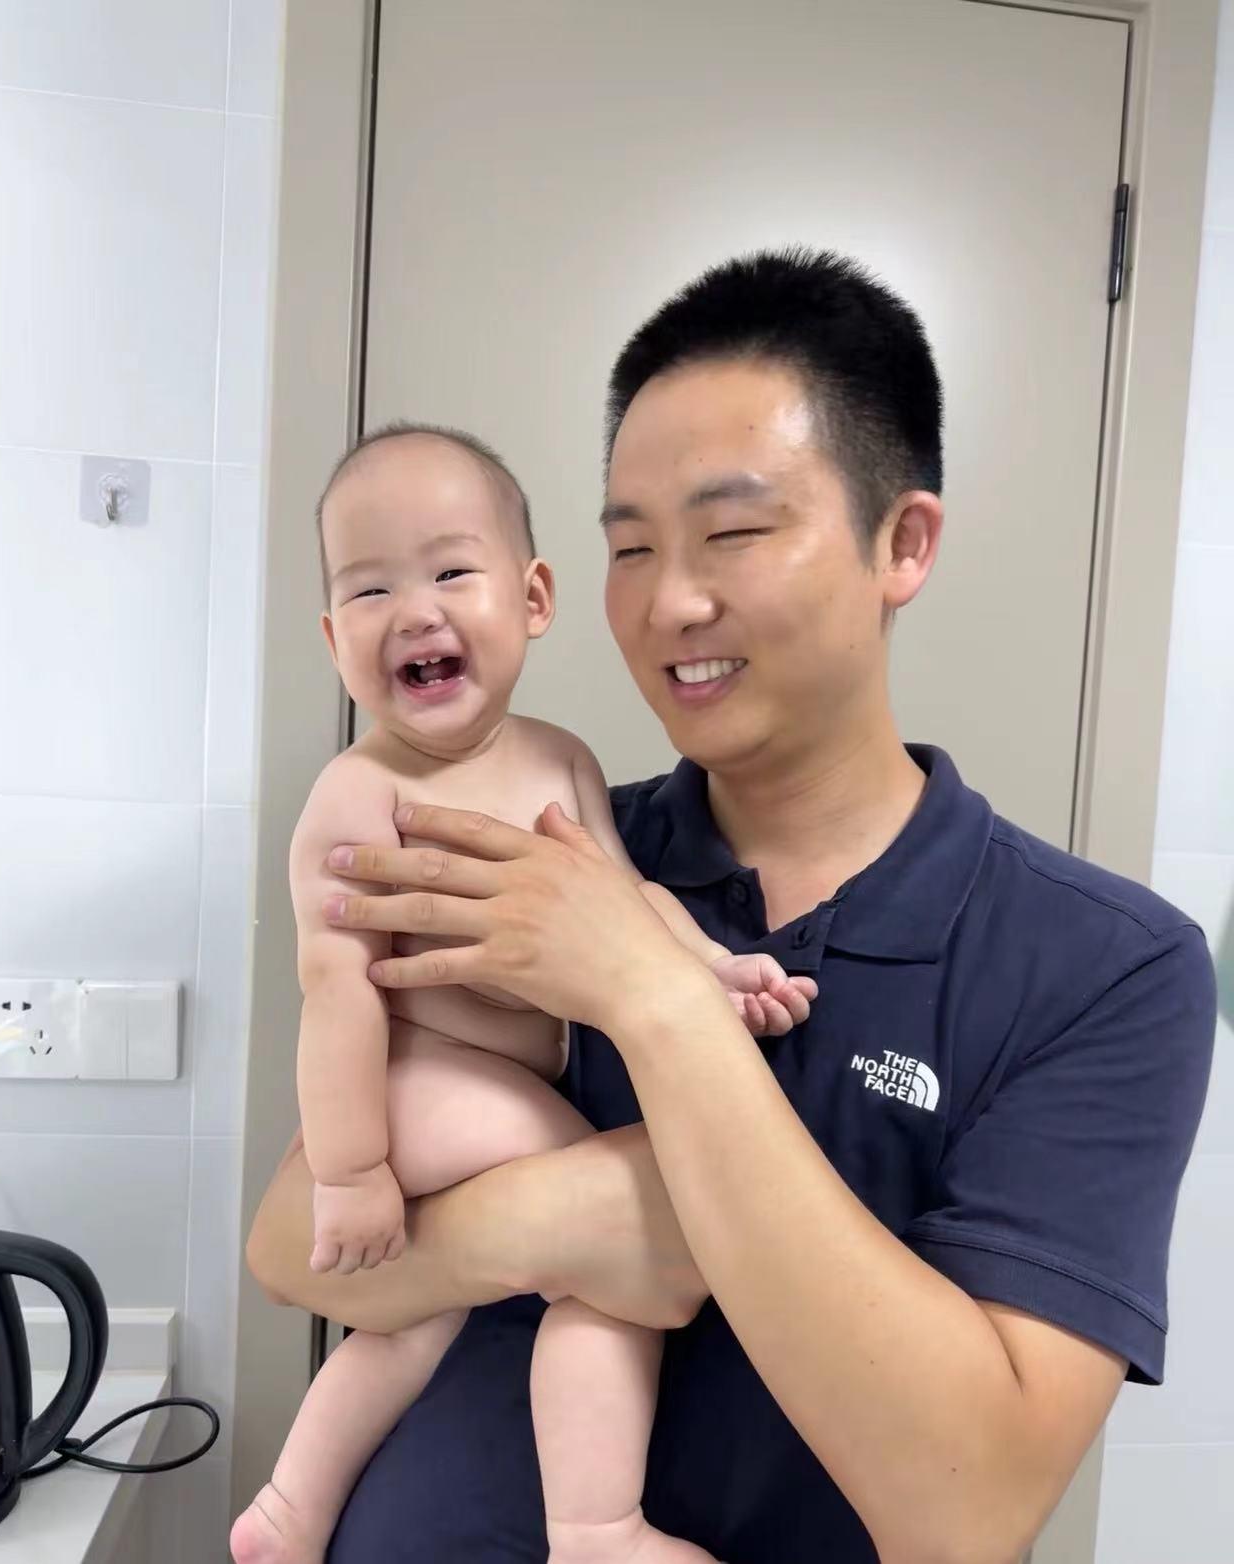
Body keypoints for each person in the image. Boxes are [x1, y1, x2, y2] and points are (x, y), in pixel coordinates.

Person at [245, 248, 1216, 1564]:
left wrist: (648, 994)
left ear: (902, 544)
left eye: (734, 533)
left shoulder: (1103, 965)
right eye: (630, 548)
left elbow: (966, 1512)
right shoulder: (544, 841)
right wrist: (570, 1217)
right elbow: (292, 1244)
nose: (670, 601)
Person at [230, 423, 816, 1564]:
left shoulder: (560, 761)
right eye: (369, 589)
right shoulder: (358, 797)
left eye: (451, 571)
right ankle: (594, 1527)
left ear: (533, 598)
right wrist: (349, 1171)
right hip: (421, 1082)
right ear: (333, 637)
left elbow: (625, 900)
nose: (414, 612)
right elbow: (335, 993)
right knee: (619, 1250)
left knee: (415, 1320)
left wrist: (709, 966)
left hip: (486, 1087)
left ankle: (288, 1513)